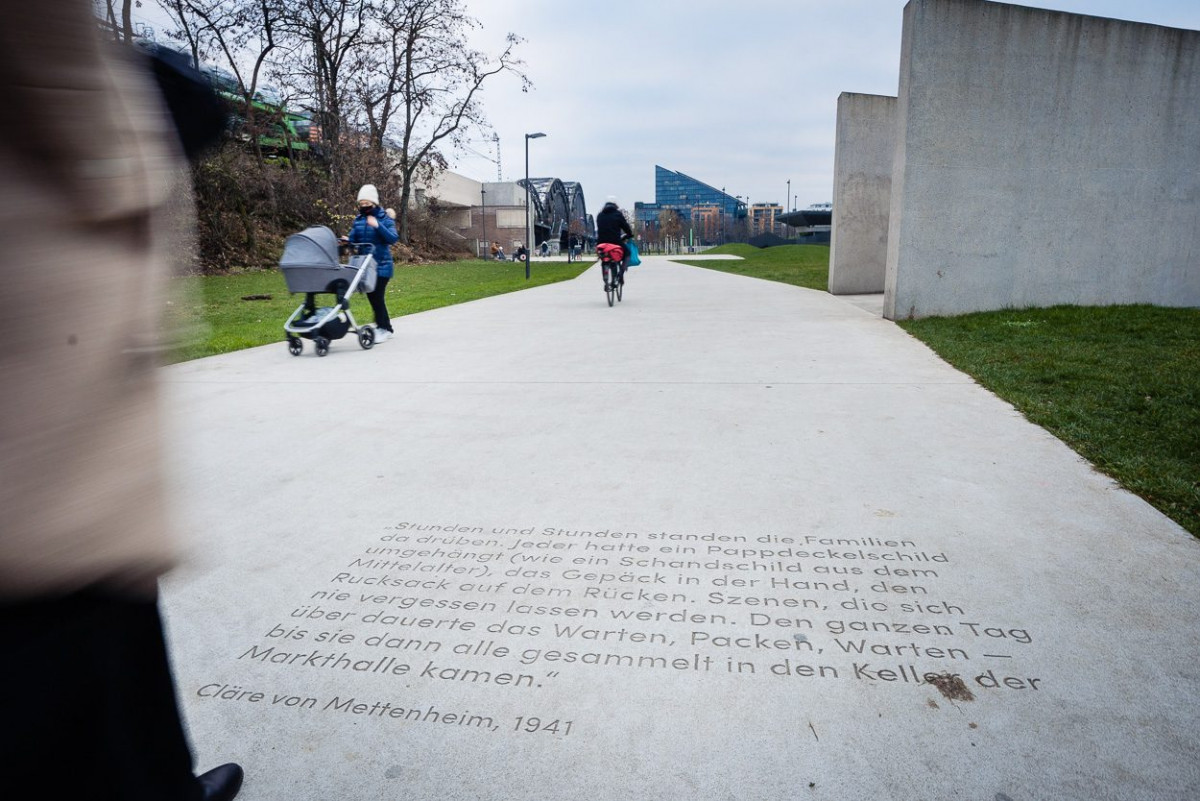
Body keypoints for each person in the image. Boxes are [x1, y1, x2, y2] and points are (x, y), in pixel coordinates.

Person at [0, 2, 243, 799]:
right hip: (38, 241)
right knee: (73, 546)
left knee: (91, 574)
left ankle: (153, 771)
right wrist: (128, 151)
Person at [343, 184, 399, 342]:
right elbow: (355, 239)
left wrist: (377, 225)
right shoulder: (359, 219)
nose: (364, 207)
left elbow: (393, 238)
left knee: (377, 297)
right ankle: (384, 326)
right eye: (361, 204)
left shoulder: (384, 219)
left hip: (381, 266)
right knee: (373, 297)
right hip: (365, 266)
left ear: (374, 203)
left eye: (367, 204)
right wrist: (348, 241)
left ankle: (384, 329)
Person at [596, 196, 634, 285]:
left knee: (604, 257)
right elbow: (625, 226)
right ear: (615, 205)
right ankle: (620, 274)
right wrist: (629, 235)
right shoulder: (617, 214)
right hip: (615, 242)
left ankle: (605, 279)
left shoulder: (600, 215)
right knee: (627, 253)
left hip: (601, 243)